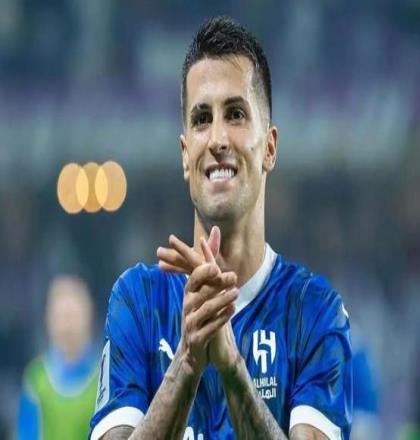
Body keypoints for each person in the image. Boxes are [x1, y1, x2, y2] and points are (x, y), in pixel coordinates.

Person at [89, 16, 352, 440]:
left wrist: (232, 367)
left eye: (235, 114)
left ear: (269, 147)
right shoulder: (138, 302)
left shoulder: (314, 310)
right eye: (201, 118)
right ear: (185, 155)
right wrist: (187, 360)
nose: (217, 139)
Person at [17, 275, 99, 440]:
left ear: (88, 315)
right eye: (61, 316)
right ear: (48, 320)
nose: (67, 325)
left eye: (72, 315)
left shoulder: (105, 376)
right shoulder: (36, 379)